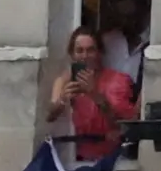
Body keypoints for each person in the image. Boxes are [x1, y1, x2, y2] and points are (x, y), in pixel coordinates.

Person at [47, 27, 136, 161]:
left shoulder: (118, 80)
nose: (85, 56)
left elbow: (125, 125)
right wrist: (63, 100)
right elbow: (50, 117)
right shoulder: (65, 81)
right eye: (79, 51)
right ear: (72, 55)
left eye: (90, 50)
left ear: (99, 52)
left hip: (115, 158)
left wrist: (94, 94)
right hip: (77, 158)